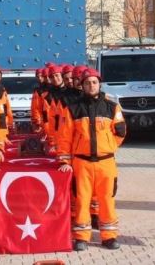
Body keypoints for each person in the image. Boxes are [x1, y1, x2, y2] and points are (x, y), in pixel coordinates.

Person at [57, 68, 126, 251]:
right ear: (82, 85)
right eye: (87, 83)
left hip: (106, 163)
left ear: (99, 83)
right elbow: (65, 137)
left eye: (94, 82)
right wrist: (65, 162)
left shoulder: (112, 107)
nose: (91, 85)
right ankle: (81, 237)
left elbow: (120, 132)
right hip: (82, 163)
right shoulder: (72, 108)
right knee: (82, 201)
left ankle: (109, 236)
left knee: (107, 200)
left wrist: (108, 146)